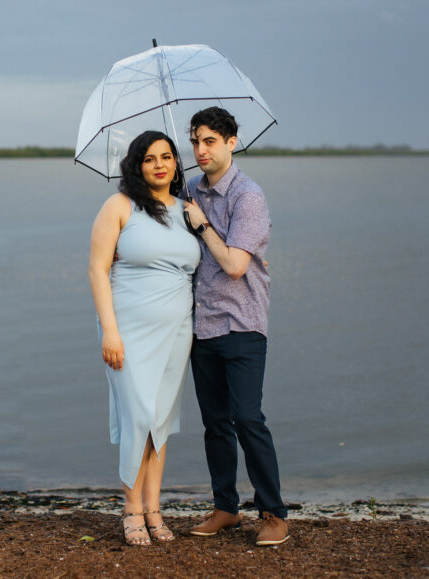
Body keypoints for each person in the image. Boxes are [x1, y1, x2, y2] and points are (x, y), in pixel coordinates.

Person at [182, 106, 289, 546]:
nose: (200, 150)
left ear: (231, 142)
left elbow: (233, 265)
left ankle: (274, 513)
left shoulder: (249, 197)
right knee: (215, 423)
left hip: (242, 323)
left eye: (209, 141)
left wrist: (201, 224)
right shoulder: (188, 190)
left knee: (248, 419)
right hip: (201, 325)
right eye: (194, 141)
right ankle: (225, 507)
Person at [88, 130, 201, 546]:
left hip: (177, 329)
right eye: (150, 158)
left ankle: (154, 509)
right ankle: (131, 510)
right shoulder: (119, 206)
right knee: (137, 415)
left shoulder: (188, 210)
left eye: (167, 157)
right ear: (136, 165)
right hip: (128, 330)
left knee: (160, 421)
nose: (160, 164)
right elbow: (98, 269)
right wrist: (110, 332)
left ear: (175, 164)